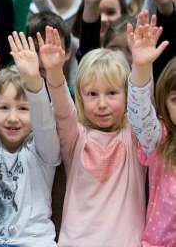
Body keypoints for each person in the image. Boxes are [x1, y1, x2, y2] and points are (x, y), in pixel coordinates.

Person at [45, 42, 145, 245]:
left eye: (112, 93)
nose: (102, 104)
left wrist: (142, 65)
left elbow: (142, 103)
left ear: (127, 95)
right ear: (80, 98)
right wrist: (55, 71)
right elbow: (63, 111)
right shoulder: (75, 137)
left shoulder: (135, 134)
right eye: (92, 94)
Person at [0, 30, 59, 246]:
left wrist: (35, 80)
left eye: (23, 108)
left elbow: (44, 122)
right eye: (4, 107)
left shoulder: (44, 151)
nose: (13, 118)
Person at [126, 12, 175, 247]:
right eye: (175, 100)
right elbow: (141, 114)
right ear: (164, 102)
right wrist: (141, 67)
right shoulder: (161, 138)